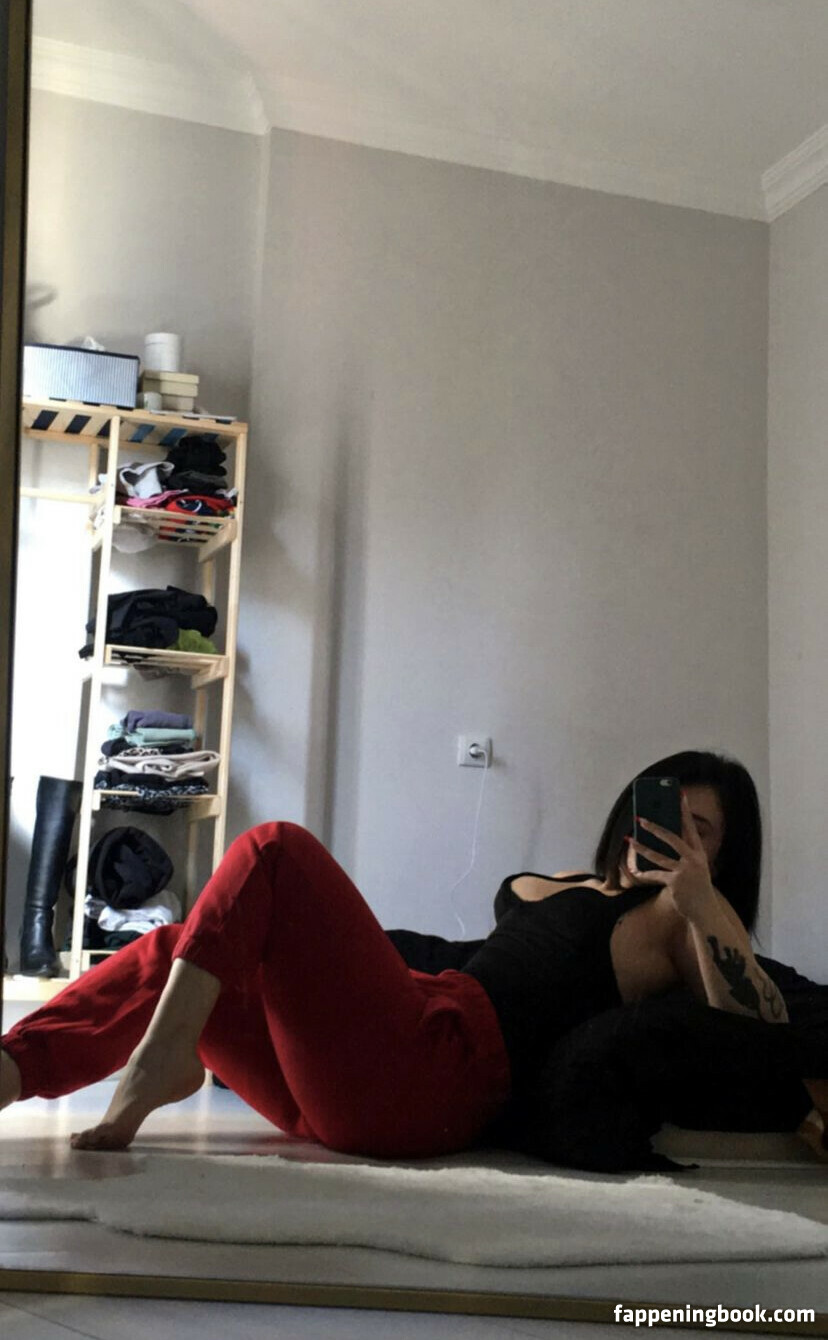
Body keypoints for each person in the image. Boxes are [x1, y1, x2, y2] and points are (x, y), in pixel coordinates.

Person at [1, 749, 824, 1159]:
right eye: (666, 815)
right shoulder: (572, 884)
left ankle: (159, 1064)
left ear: (723, 858)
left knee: (276, 849)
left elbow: (758, 1021)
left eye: (700, 831)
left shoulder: (680, 920)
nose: (677, 837)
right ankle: (10, 1071)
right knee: (168, 946)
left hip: (437, 1073)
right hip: (368, 1074)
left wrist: (703, 902)